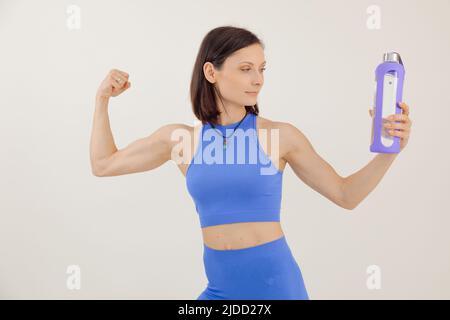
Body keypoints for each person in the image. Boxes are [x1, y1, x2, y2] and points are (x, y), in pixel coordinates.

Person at [89, 26, 412, 300]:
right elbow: (103, 164)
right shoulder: (181, 140)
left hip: (275, 287)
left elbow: (346, 195)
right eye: (246, 69)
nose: (258, 79)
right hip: (219, 290)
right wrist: (102, 99)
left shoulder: (280, 136)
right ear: (211, 72)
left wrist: (388, 152)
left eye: (262, 69)